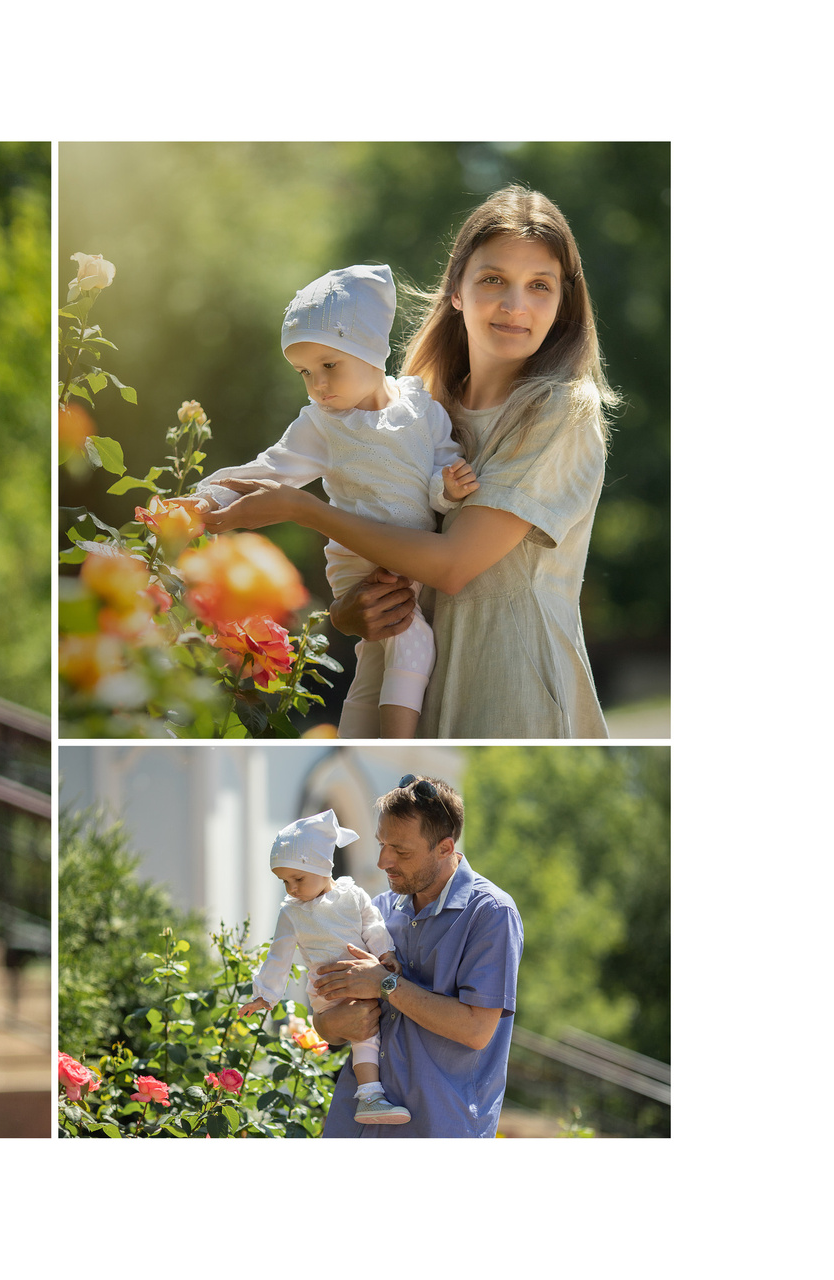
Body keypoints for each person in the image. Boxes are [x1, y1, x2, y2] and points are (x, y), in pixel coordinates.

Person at [205, 186, 616, 737]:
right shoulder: (419, 408)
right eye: (494, 279)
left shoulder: (559, 410)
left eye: (539, 285)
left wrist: (303, 510)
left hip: (512, 693)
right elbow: (388, 549)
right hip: (414, 689)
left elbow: (451, 566)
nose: (515, 305)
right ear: (456, 291)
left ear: (563, 301)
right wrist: (349, 613)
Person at [190, 265, 477, 738]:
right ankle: (396, 746)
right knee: (411, 640)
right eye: (305, 372)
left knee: (376, 664)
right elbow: (270, 470)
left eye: (329, 365)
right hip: (362, 564)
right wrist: (202, 499)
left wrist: (448, 488)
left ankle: (358, 737)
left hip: (413, 559)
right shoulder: (323, 425)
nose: (318, 385)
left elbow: (440, 473)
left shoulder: (421, 408)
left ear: (371, 350)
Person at [305, 775, 523, 1138]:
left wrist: (385, 985)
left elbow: (476, 1030)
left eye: (401, 851)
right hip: (354, 1125)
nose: (382, 861)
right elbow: (326, 1025)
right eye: (381, 844)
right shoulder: (376, 911)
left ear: (445, 847)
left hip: (439, 1129)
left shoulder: (492, 913)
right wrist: (333, 1023)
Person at [232, 810, 408, 1125]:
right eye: (285, 881)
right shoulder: (292, 914)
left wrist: (386, 953)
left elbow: (374, 926)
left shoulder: (353, 896)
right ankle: (369, 1095)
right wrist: (265, 994)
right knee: (364, 1032)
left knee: (376, 1025)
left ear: (323, 867)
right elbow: (278, 955)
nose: (291, 889)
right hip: (329, 990)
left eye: (298, 879)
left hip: (365, 979)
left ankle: (379, 1093)